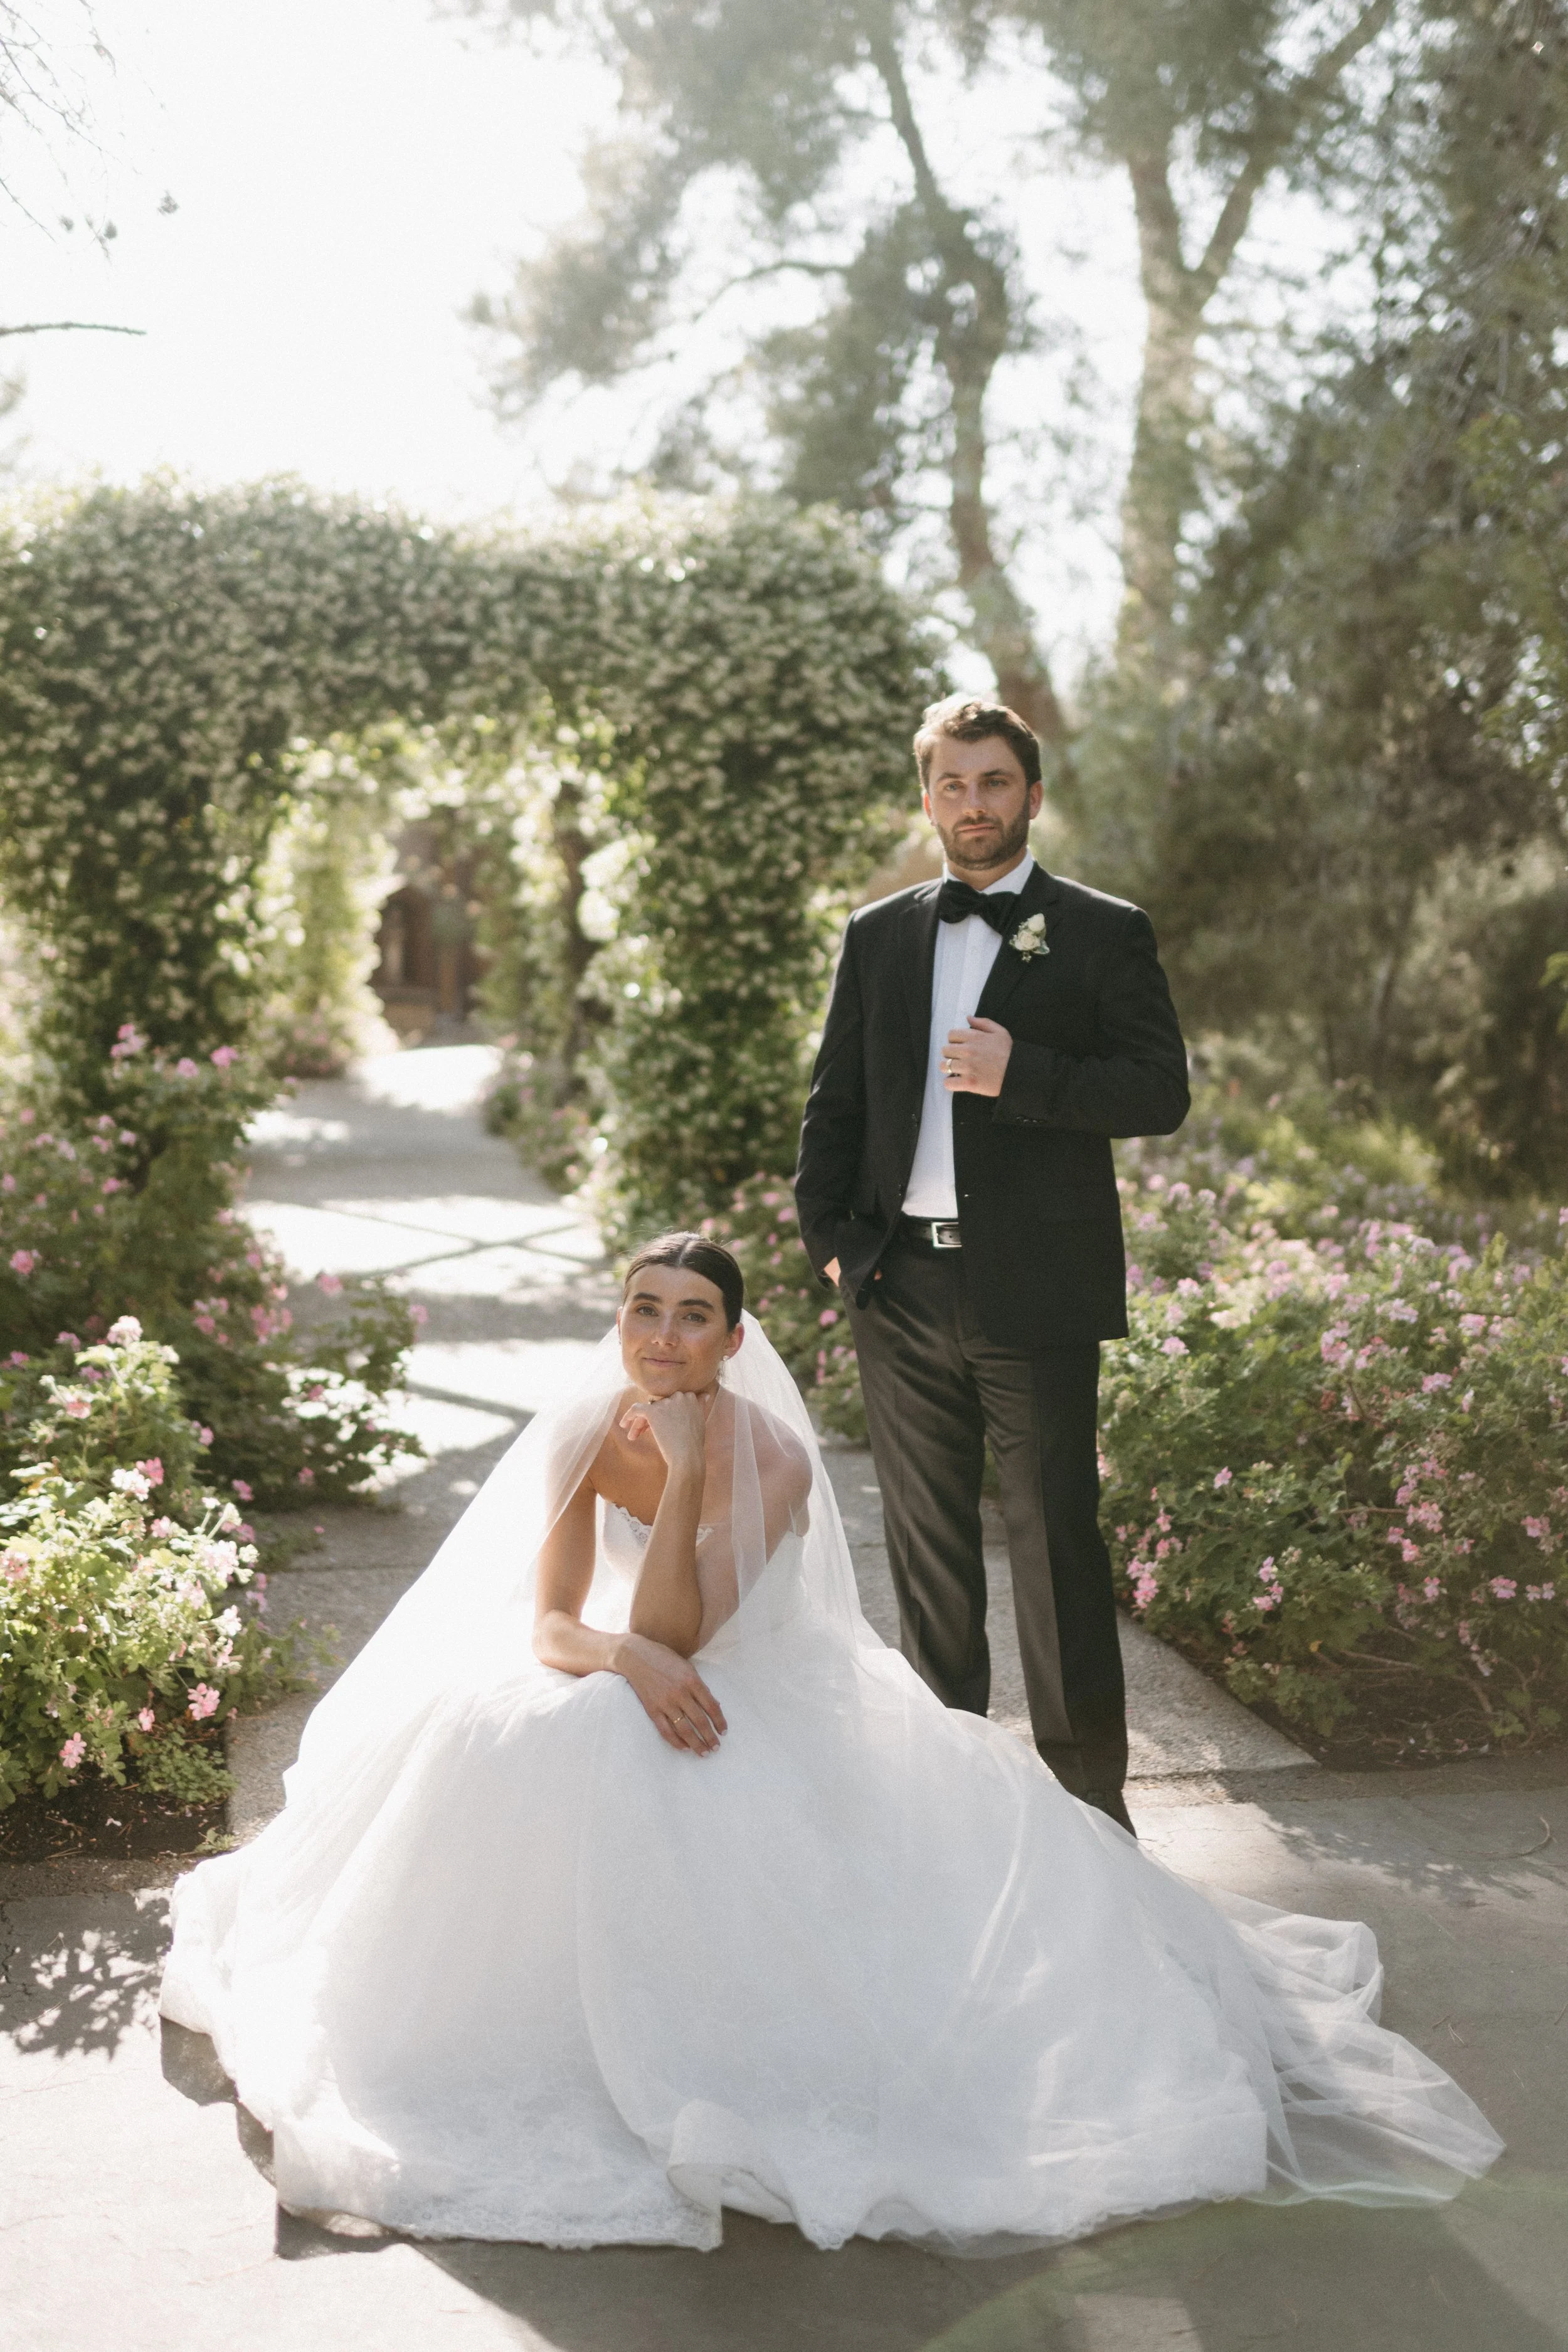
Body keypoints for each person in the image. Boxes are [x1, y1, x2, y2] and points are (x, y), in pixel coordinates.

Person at [161, 1234, 1500, 2252]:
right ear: (618, 1323)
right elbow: (563, 1626)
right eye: (643, 1311)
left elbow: (687, 1628)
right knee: (515, 1738)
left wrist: (685, 1481)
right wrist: (620, 1655)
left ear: (733, 1342)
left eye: (693, 1319)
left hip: (752, 1688)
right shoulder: (580, 1424)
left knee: (657, 1765)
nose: (663, 1338)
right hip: (630, 1669)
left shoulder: (775, 1465)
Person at [796, 694, 1190, 1834]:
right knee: (927, 1558)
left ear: (1032, 792)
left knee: (1056, 1542)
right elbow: (834, 1105)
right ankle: (950, 1813)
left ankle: (1089, 1813)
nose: (974, 805)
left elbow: (1157, 1090)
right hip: (901, 1290)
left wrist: (1029, 1073)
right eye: (953, 785)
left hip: (1036, 1289)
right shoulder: (879, 934)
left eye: (995, 783)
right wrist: (836, 1248)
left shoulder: (1104, 930)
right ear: (928, 799)